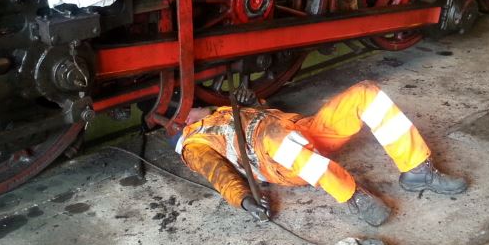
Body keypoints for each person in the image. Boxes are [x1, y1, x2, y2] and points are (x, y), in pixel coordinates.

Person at [171, 80, 467, 226]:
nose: (195, 104)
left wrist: (254, 103)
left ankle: (418, 169)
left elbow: (271, 117)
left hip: (304, 131)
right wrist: (246, 201)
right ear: (184, 122)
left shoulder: (222, 112)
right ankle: (353, 196)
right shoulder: (194, 144)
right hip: (280, 159)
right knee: (276, 137)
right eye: (189, 108)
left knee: (365, 93)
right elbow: (220, 176)